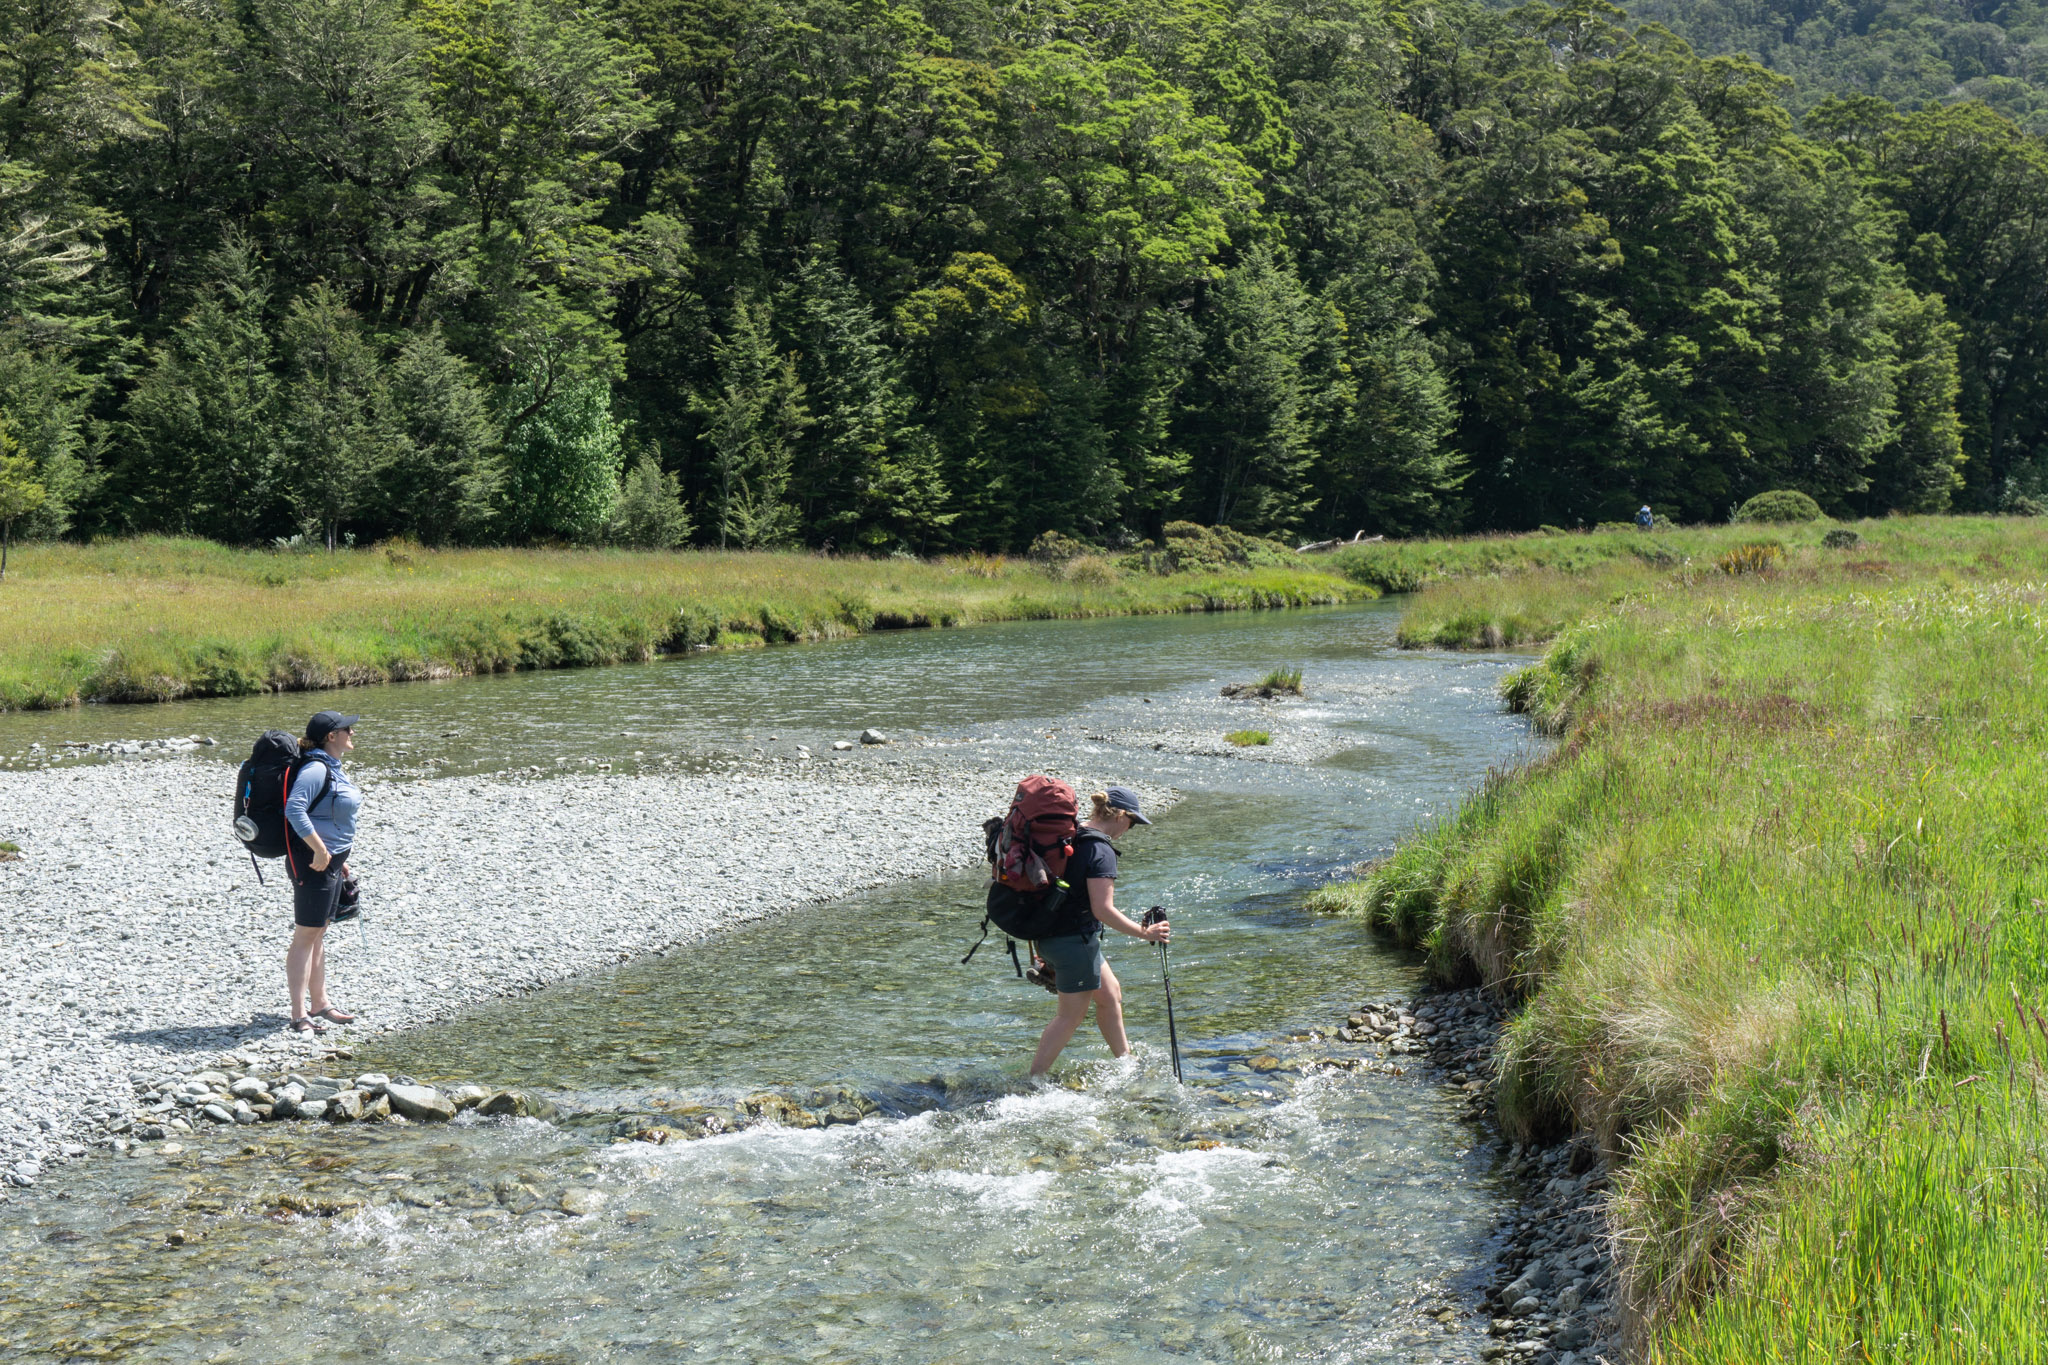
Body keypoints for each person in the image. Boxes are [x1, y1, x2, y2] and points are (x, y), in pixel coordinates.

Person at [1029, 786, 1171, 1077]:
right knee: (1069, 1016)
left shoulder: (1073, 835)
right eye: (1132, 822)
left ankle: (1126, 1064)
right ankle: (1033, 1079)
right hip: (1073, 942)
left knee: (1110, 994)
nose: (1130, 829)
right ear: (1121, 816)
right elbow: (1103, 910)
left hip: (1051, 936)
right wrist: (1146, 933)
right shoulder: (1101, 850)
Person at [283, 710, 363, 1034]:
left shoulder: (332, 767)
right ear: (332, 736)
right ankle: (298, 1013)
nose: (352, 734)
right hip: (312, 862)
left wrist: (336, 857)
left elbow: (327, 815)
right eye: (348, 729)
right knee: (305, 936)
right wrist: (319, 848)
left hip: (329, 862)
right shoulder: (316, 768)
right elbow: (294, 808)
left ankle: (320, 1003)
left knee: (318, 933)